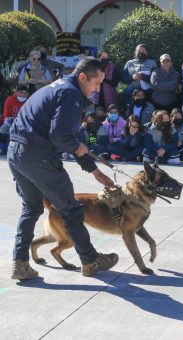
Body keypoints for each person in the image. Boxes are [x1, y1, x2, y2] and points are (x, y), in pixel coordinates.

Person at [7, 57, 119, 280]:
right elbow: (60, 137)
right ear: (82, 77)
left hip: (17, 153)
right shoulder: (71, 94)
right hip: (38, 156)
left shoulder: (57, 87)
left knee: (31, 208)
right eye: (96, 83)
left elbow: (70, 137)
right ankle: (90, 260)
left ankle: (20, 264)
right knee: (71, 209)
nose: (98, 89)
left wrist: (94, 171)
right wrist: (78, 147)